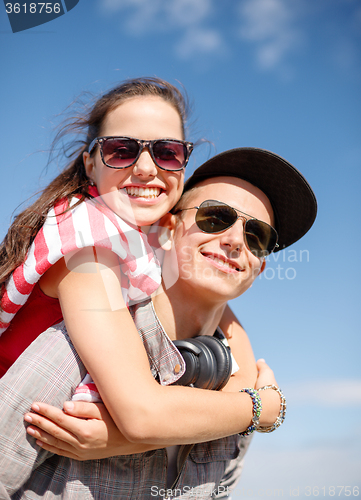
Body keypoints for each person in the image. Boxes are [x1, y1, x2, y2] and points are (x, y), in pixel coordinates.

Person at [0, 147, 317, 499]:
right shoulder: (77, 350)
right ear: (168, 229)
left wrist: (130, 440)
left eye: (258, 236)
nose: (235, 241)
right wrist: (261, 407)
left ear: (261, 265)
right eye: (215, 217)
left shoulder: (238, 393)